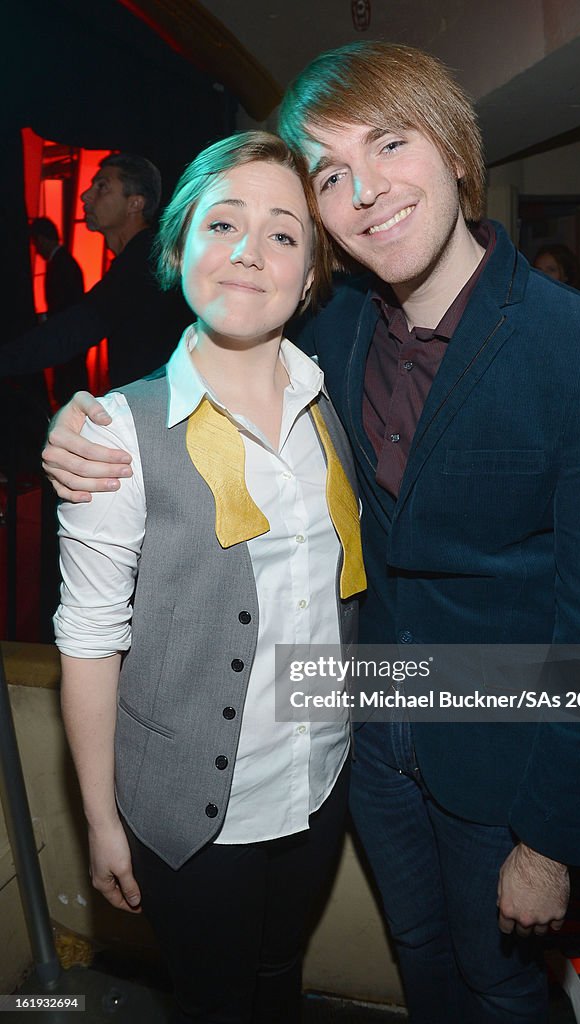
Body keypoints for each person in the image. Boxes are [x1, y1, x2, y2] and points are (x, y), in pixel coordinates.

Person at [43, 43, 580, 1024]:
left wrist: (551, 842)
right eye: (331, 173)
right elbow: (212, 343)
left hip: (503, 768)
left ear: (456, 152)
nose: (366, 188)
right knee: (421, 961)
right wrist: (75, 420)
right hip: (365, 753)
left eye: (390, 143)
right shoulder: (328, 328)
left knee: (503, 986)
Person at [53, 131, 365, 1024]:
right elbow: (88, 637)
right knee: (215, 1002)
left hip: (317, 782)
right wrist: (102, 820)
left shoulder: (329, 396)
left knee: (278, 980)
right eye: (222, 223)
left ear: (309, 273)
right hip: (192, 812)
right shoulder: (115, 430)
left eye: (281, 233)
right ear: (179, 246)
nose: (246, 252)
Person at [1, 154, 189, 390]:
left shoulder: (144, 262)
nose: (85, 195)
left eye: (102, 187)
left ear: (135, 204)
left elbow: (78, 327)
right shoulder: (145, 256)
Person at [29, 216, 88, 404]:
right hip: (70, 339)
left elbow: (66, 305)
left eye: (36, 243)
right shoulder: (64, 262)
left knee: (69, 389)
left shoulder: (62, 265)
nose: (37, 250)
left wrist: (45, 318)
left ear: (42, 239)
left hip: (68, 340)